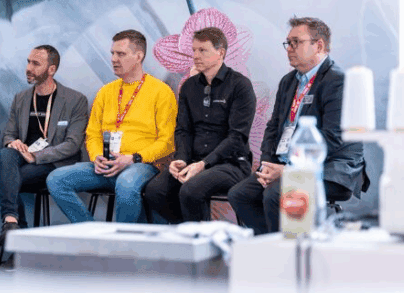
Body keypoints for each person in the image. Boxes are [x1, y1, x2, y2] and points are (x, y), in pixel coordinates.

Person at [228, 17, 369, 235]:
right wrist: (267, 164)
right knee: (240, 195)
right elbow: (273, 127)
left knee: (275, 194)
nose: (289, 49)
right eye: (288, 43)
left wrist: (289, 170)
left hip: (331, 167)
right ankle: (270, 243)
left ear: (318, 45)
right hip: (285, 165)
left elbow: (333, 138)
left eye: (296, 42)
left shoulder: (338, 80)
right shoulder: (288, 81)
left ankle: (288, 249)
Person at [47, 30, 177, 223]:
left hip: (141, 165)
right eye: (113, 53)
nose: (114, 59)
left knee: (126, 184)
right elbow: (92, 134)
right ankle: (93, 233)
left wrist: (132, 158)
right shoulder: (105, 92)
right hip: (106, 165)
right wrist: (97, 157)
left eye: (121, 54)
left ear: (139, 56)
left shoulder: (161, 92)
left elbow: (167, 143)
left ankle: (120, 239)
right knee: (56, 179)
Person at [144, 27, 256, 223]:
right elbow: (183, 130)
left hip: (230, 164)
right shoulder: (189, 86)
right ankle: (190, 230)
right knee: (155, 191)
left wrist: (204, 164)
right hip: (193, 161)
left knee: (191, 189)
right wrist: (181, 159)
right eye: (194, 50)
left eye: (202, 50)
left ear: (220, 52)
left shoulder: (240, 85)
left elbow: (237, 137)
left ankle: (199, 235)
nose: (195, 55)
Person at [0, 45, 88, 258]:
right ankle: (12, 223)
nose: (29, 68)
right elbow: (8, 135)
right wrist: (13, 143)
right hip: (20, 159)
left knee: (2, 182)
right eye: (28, 62)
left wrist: (36, 156)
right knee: (6, 154)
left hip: (54, 163)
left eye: (36, 64)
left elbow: (72, 144)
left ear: (51, 69)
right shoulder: (21, 98)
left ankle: (17, 247)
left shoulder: (75, 100)